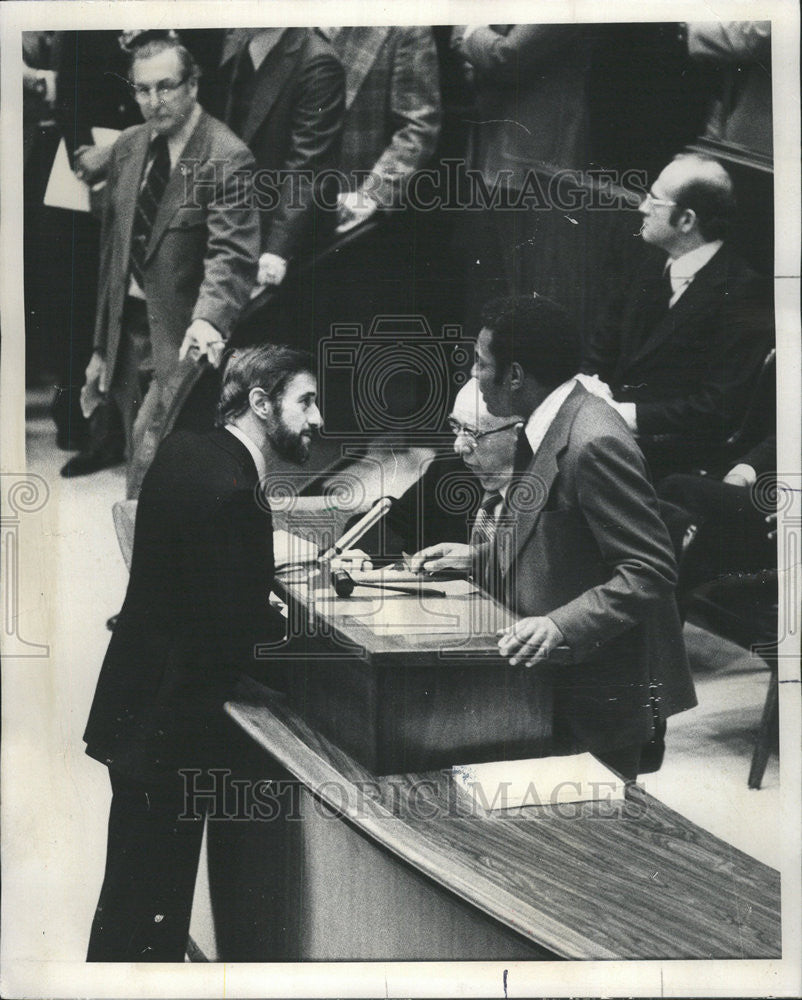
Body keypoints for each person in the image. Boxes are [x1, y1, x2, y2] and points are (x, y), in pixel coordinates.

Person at [83, 343, 322, 962]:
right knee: (145, 929)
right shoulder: (233, 494)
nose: (318, 418)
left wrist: (265, 568)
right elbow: (236, 640)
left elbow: (202, 574)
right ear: (261, 404)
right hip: (170, 735)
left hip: (134, 708)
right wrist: (314, 650)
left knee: (129, 908)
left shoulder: (190, 449)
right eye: (307, 402)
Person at [411, 295, 697, 779]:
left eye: (482, 364)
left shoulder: (594, 440)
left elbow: (649, 570)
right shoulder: (543, 423)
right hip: (553, 682)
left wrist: (561, 625)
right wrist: (479, 556)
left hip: (601, 694)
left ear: (516, 375)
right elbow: (560, 542)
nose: (475, 377)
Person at [70, 36, 260, 493]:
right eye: (142, 90)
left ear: (193, 85)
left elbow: (232, 254)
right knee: (144, 455)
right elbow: (112, 256)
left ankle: (147, 562)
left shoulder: (226, 155)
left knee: (149, 456)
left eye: (165, 86)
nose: (153, 102)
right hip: (128, 330)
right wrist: (100, 347)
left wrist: (208, 319)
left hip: (181, 335)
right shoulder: (130, 145)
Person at [580, 152, 774, 477]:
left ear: (686, 221)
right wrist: (586, 387)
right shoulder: (647, 259)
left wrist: (624, 415)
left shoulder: (744, 291)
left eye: (654, 200)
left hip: (673, 456)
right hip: (608, 429)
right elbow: (603, 344)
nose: (642, 207)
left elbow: (718, 406)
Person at [219, 27, 345, 294]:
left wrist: (277, 251)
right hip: (240, 232)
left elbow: (309, 168)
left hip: (289, 251)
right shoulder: (243, 49)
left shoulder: (318, 61)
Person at [352, 377, 522, 560]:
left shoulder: (551, 486)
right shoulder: (452, 470)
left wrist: (481, 557)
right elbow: (391, 523)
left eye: (473, 432)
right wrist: (363, 556)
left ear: (518, 434)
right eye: (456, 427)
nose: (458, 446)